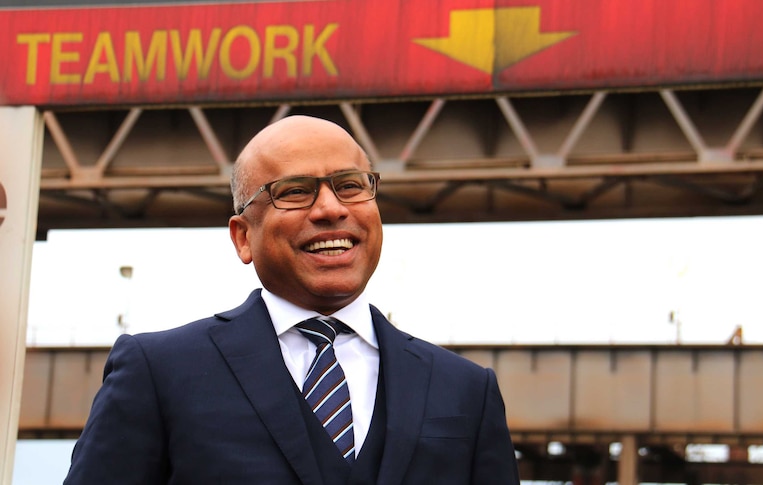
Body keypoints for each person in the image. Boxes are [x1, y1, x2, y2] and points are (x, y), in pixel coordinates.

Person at [64, 115, 520, 484]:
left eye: (351, 185)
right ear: (243, 237)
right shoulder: (158, 372)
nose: (330, 208)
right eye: (295, 191)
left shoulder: (466, 391)